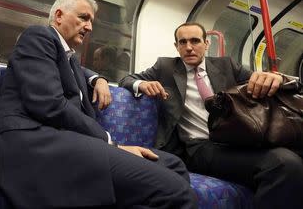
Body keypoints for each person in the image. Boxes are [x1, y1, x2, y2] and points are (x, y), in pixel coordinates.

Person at [0, 0, 197, 209]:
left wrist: (98, 78)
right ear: (59, 16)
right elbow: (49, 105)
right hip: (34, 141)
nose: (89, 27)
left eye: (91, 21)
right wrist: (111, 143)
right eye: (83, 18)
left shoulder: (69, 58)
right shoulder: (38, 37)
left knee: (175, 165)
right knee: (178, 193)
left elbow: (75, 69)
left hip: (68, 141)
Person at [119, 22, 303, 209]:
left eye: (195, 41)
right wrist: (141, 84)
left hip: (236, 141)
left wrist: (277, 77)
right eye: (182, 42)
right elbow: (126, 79)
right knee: (283, 163)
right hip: (199, 148)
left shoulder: (227, 65)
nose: (189, 47)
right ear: (176, 46)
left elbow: (260, 81)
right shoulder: (165, 67)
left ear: (207, 44)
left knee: (295, 155)